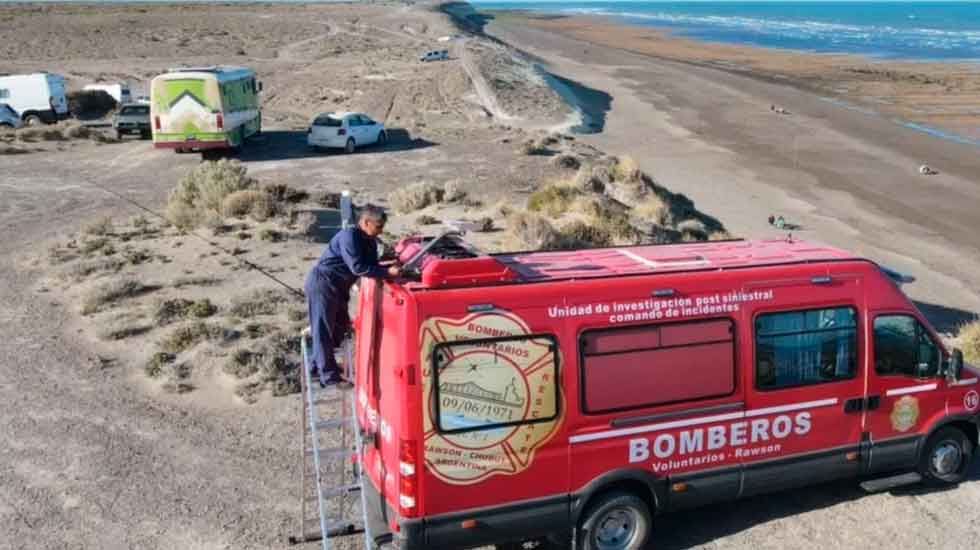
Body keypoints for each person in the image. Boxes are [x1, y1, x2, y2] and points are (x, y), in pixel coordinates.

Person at [305, 205, 400, 387]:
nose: (381, 230)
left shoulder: (370, 240)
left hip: (340, 287)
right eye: (378, 226)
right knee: (323, 330)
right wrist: (388, 272)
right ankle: (330, 378)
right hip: (323, 283)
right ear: (365, 222)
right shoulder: (349, 236)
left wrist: (387, 265)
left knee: (339, 328)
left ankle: (318, 367)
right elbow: (358, 267)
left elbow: (372, 265)